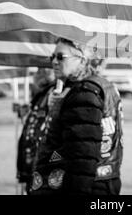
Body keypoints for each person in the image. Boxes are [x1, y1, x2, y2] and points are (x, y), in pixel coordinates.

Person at [29, 38, 123, 195]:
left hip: (86, 186)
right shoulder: (102, 85)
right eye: (52, 57)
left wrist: (55, 112)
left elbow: (82, 157)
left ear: (82, 59)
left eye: (61, 57)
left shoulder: (84, 93)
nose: (54, 62)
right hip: (105, 180)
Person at [16, 68, 56, 193]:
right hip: (30, 160)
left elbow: (48, 124)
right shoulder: (40, 95)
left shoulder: (53, 92)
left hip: (40, 162)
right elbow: (34, 123)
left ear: (49, 73)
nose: (36, 75)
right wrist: (24, 113)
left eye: (40, 71)